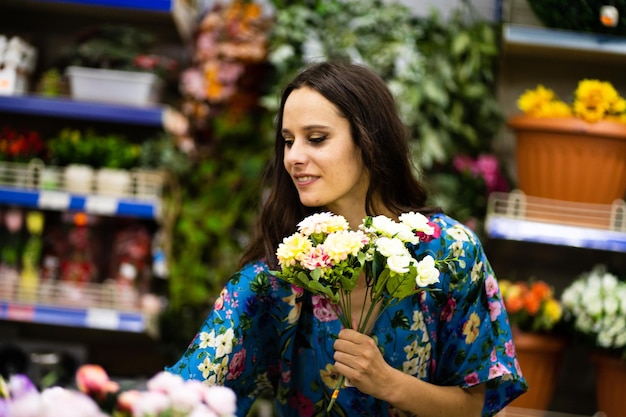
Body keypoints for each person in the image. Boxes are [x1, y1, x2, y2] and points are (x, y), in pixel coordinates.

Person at [166, 61, 527, 416]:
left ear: (369, 140)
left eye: (316, 139)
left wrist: (390, 384)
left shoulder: (450, 252)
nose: (294, 157)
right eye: (288, 142)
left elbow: (479, 403)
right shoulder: (278, 274)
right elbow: (184, 393)